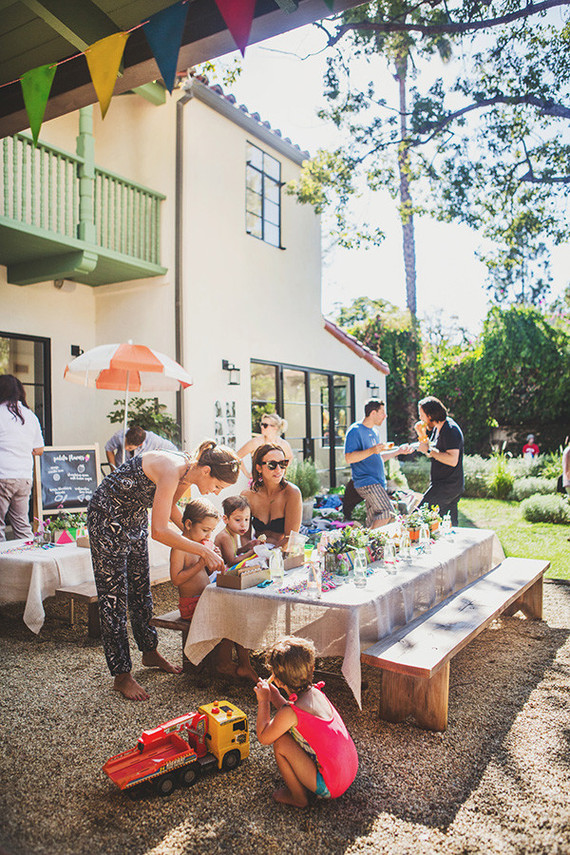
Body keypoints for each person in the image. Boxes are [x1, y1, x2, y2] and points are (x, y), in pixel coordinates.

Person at [87, 439, 240, 701]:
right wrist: (202, 550)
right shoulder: (172, 469)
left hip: (132, 517)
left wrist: (200, 541)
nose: (215, 493)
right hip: (106, 517)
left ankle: (149, 652)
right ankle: (121, 675)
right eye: (217, 486)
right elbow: (159, 531)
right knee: (114, 597)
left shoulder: (187, 474)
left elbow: (171, 511)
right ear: (206, 471)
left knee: (140, 588)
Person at [254, 636, 358, 808]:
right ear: (312, 668)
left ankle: (298, 797)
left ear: (277, 681)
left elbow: (264, 736)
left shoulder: (290, 712)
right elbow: (293, 717)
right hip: (349, 771)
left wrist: (263, 700)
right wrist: (275, 696)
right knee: (288, 733)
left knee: (281, 743)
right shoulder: (316, 693)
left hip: (331, 785)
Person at [170, 497, 258, 682]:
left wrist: (213, 563)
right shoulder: (180, 548)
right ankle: (223, 663)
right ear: (188, 524)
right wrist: (202, 562)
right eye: (205, 530)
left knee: (238, 610)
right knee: (228, 617)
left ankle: (245, 664)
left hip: (205, 598)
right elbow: (176, 580)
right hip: (191, 604)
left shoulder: (200, 544)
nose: (208, 536)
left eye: (211, 531)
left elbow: (205, 573)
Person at [344, 399, 411, 528]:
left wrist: (398, 451)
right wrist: (372, 450)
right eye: (382, 412)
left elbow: (377, 458)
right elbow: (349, 458)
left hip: (377, 482)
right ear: (373, 413)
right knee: (387, 512)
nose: (385, 416)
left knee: (375, 519)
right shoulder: (355, 431)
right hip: (367, 482)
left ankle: (367, 539)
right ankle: (370, 541)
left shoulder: (374, 432)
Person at [0, 374, 44, 541]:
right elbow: (39, 449)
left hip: (3, 475)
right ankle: (29, 555)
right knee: (22, 525)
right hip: (24, 477)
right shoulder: (30, 415)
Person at [241, 443, 302, 548]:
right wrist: (252, 552)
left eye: (282, 464)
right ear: (259, 468)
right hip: (257, 551)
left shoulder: (292, 493)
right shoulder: (248, 496)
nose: (278, 470)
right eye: (272, 465)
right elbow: (244, 536)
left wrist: (272, 554)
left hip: (283, 552)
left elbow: (290, 538)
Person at [416, 395, 464, 526]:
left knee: (419, 518)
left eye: (422, 415)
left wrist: (429, 451)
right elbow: (432, 451)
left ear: (430, 415)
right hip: (443, 484)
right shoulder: (437, 429)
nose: (420, 419)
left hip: (448, 486)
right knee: (447, 525)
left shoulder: (450, 430)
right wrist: (421, 434)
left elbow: (452, 460)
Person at [237, 413, 294, 480]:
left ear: (275, 428)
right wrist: (247, 474)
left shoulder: (283, 444)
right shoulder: (255, 442)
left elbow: (290, 457)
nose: (261, 427)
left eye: (265, 425)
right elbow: (237, 456)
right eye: (261, 424)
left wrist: (281, 471)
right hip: (258, 482)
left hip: (277, 482)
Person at [214, 495, 263, 567]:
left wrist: (248, 546)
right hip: (218, 571)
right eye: (238, 520)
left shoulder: (233, 532)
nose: (243, 524)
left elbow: (234, 552)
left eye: (246, 519)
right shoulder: (225, 536)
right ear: (225, 519)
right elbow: (231, 562)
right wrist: (253, 552)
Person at [105, 425, 177, 470]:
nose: (125, 448)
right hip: (121, 470)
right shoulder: (119, 436)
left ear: (140, 444)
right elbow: (108, 448)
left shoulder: (153, 440)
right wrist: (113, 469)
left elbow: (173, 450)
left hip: (140, 472)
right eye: (125, 444)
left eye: (130, 448)